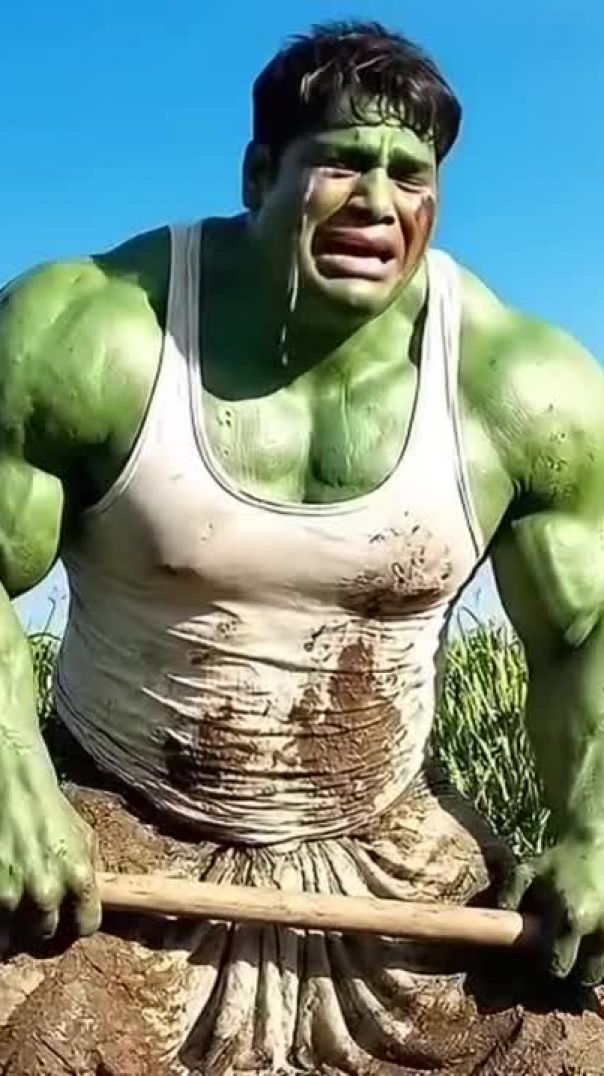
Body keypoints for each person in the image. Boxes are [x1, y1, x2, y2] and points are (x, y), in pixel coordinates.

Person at [1, 18, 604, 1075]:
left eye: (410, 175)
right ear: (259, 174)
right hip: (117, 821)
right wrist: (11, 781)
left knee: (566, 1045)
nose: (377, 200)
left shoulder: (523, 386)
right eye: (342, 163)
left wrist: (594, 826)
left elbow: (582, 631)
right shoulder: (84, 332)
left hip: (391, 842)